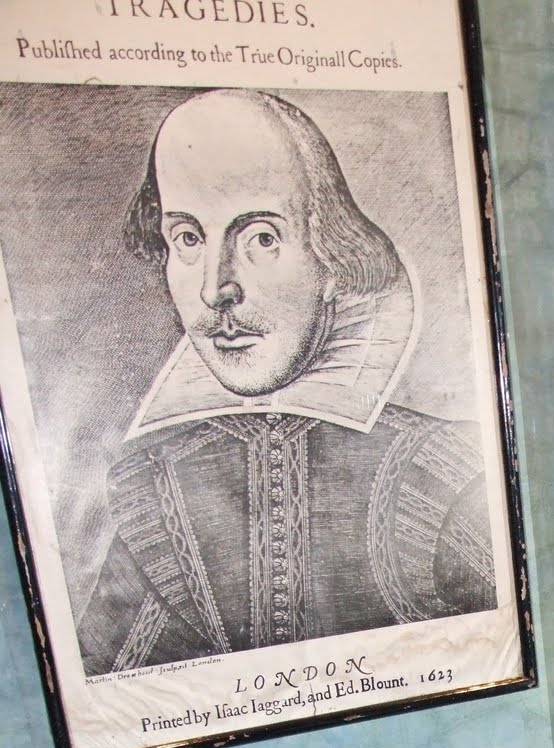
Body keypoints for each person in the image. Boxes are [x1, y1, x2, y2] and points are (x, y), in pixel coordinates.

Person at [79, 89, 496, 676]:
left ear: (333, 260)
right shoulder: (159, 484)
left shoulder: (444, 477)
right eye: (189, 239)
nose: (215, 290)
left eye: (261, 239)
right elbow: (116, 697)